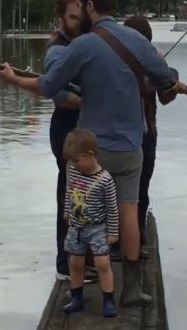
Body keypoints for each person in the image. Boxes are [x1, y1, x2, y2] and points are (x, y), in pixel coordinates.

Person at [0, 0, 187, 307]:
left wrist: (14, 79)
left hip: (91, 151)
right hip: (131, 146)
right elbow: (165, 77)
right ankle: (131, 288)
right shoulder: (137, 41)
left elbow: (49, 87)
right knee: (129, 211)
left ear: (89, 6)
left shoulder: (82, 46)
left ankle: (80, 288)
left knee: (82, 215)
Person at [122, 16, 179, 253]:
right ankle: (121, 241)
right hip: (125, 133)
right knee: (124, 191)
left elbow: (165, 98)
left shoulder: (154, 62)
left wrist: (172, 86)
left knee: (142, 188)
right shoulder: (117, 63)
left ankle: (139, 237)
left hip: (149, 133)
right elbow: (140, 86)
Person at [47, 0, 84, 281]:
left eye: (81, 15)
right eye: (73, 16)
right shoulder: (57, 49)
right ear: (60, 16)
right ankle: (64, 265)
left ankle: (81, 260)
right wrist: (95, 99)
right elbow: (61, 97)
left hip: (83, 127)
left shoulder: (82, 42)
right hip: (66, 128)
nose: (77, 21)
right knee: (70, 198)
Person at [61, 128, 118, 317]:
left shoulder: (105, 180)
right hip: (77, 227)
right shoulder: (74, 172)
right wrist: (67, 212)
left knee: (102, 263)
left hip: (97, 228)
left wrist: (112, 232)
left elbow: (112, 208)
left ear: (90, 155)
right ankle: (77, 297)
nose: (74, 165)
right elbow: (69, 192)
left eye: (77, 161)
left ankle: (108, 299)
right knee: (75, 262)